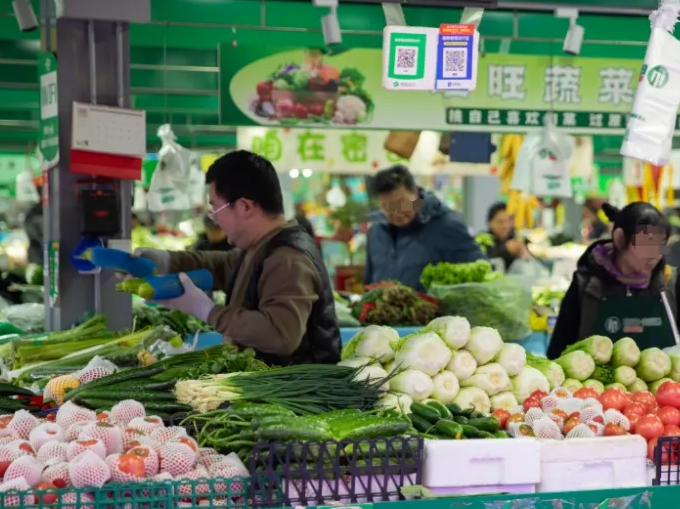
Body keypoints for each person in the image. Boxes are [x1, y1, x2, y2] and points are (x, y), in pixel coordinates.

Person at [136, 150, 341, 365]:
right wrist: (163, 260)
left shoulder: (288, 259)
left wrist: (208, 311)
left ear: (244, 206)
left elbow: (280, 335)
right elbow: (220, 265)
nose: (214, 219)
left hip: (296, 394)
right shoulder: (261, 247)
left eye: (215, 207)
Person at [547, 202, 680, 359]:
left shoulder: (670, 282)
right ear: (620, 239)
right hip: (599, 388)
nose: (654, 255)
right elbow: (557, 352)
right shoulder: (587, 284)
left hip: (665, 388)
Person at [364, 164, 484, 291]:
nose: (397, 213)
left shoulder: (446, 226)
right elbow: (370, 283)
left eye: (402, 204)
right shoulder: (376, 232)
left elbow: (481, 274)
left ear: (415, 193)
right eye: (388, 207)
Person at [481, 202, 526, 272]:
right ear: (490, 223)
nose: (505, 226)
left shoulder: (515, 239)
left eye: (509, 221)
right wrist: (505, 249)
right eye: (500, 222)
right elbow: (484, 257)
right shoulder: (482, 239)